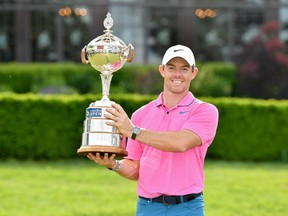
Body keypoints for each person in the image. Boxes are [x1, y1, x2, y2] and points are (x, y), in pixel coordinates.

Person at [87, 44, 219, 216]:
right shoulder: (141, 115)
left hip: (187, 207)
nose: (177, 74)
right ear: (162, 70)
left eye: (184, 69)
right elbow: (135, 169)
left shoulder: (204, 111)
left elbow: (180, 143)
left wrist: (133, 131)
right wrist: (113, 164)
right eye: (171, 68)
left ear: (193, 73)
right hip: (148, 207)